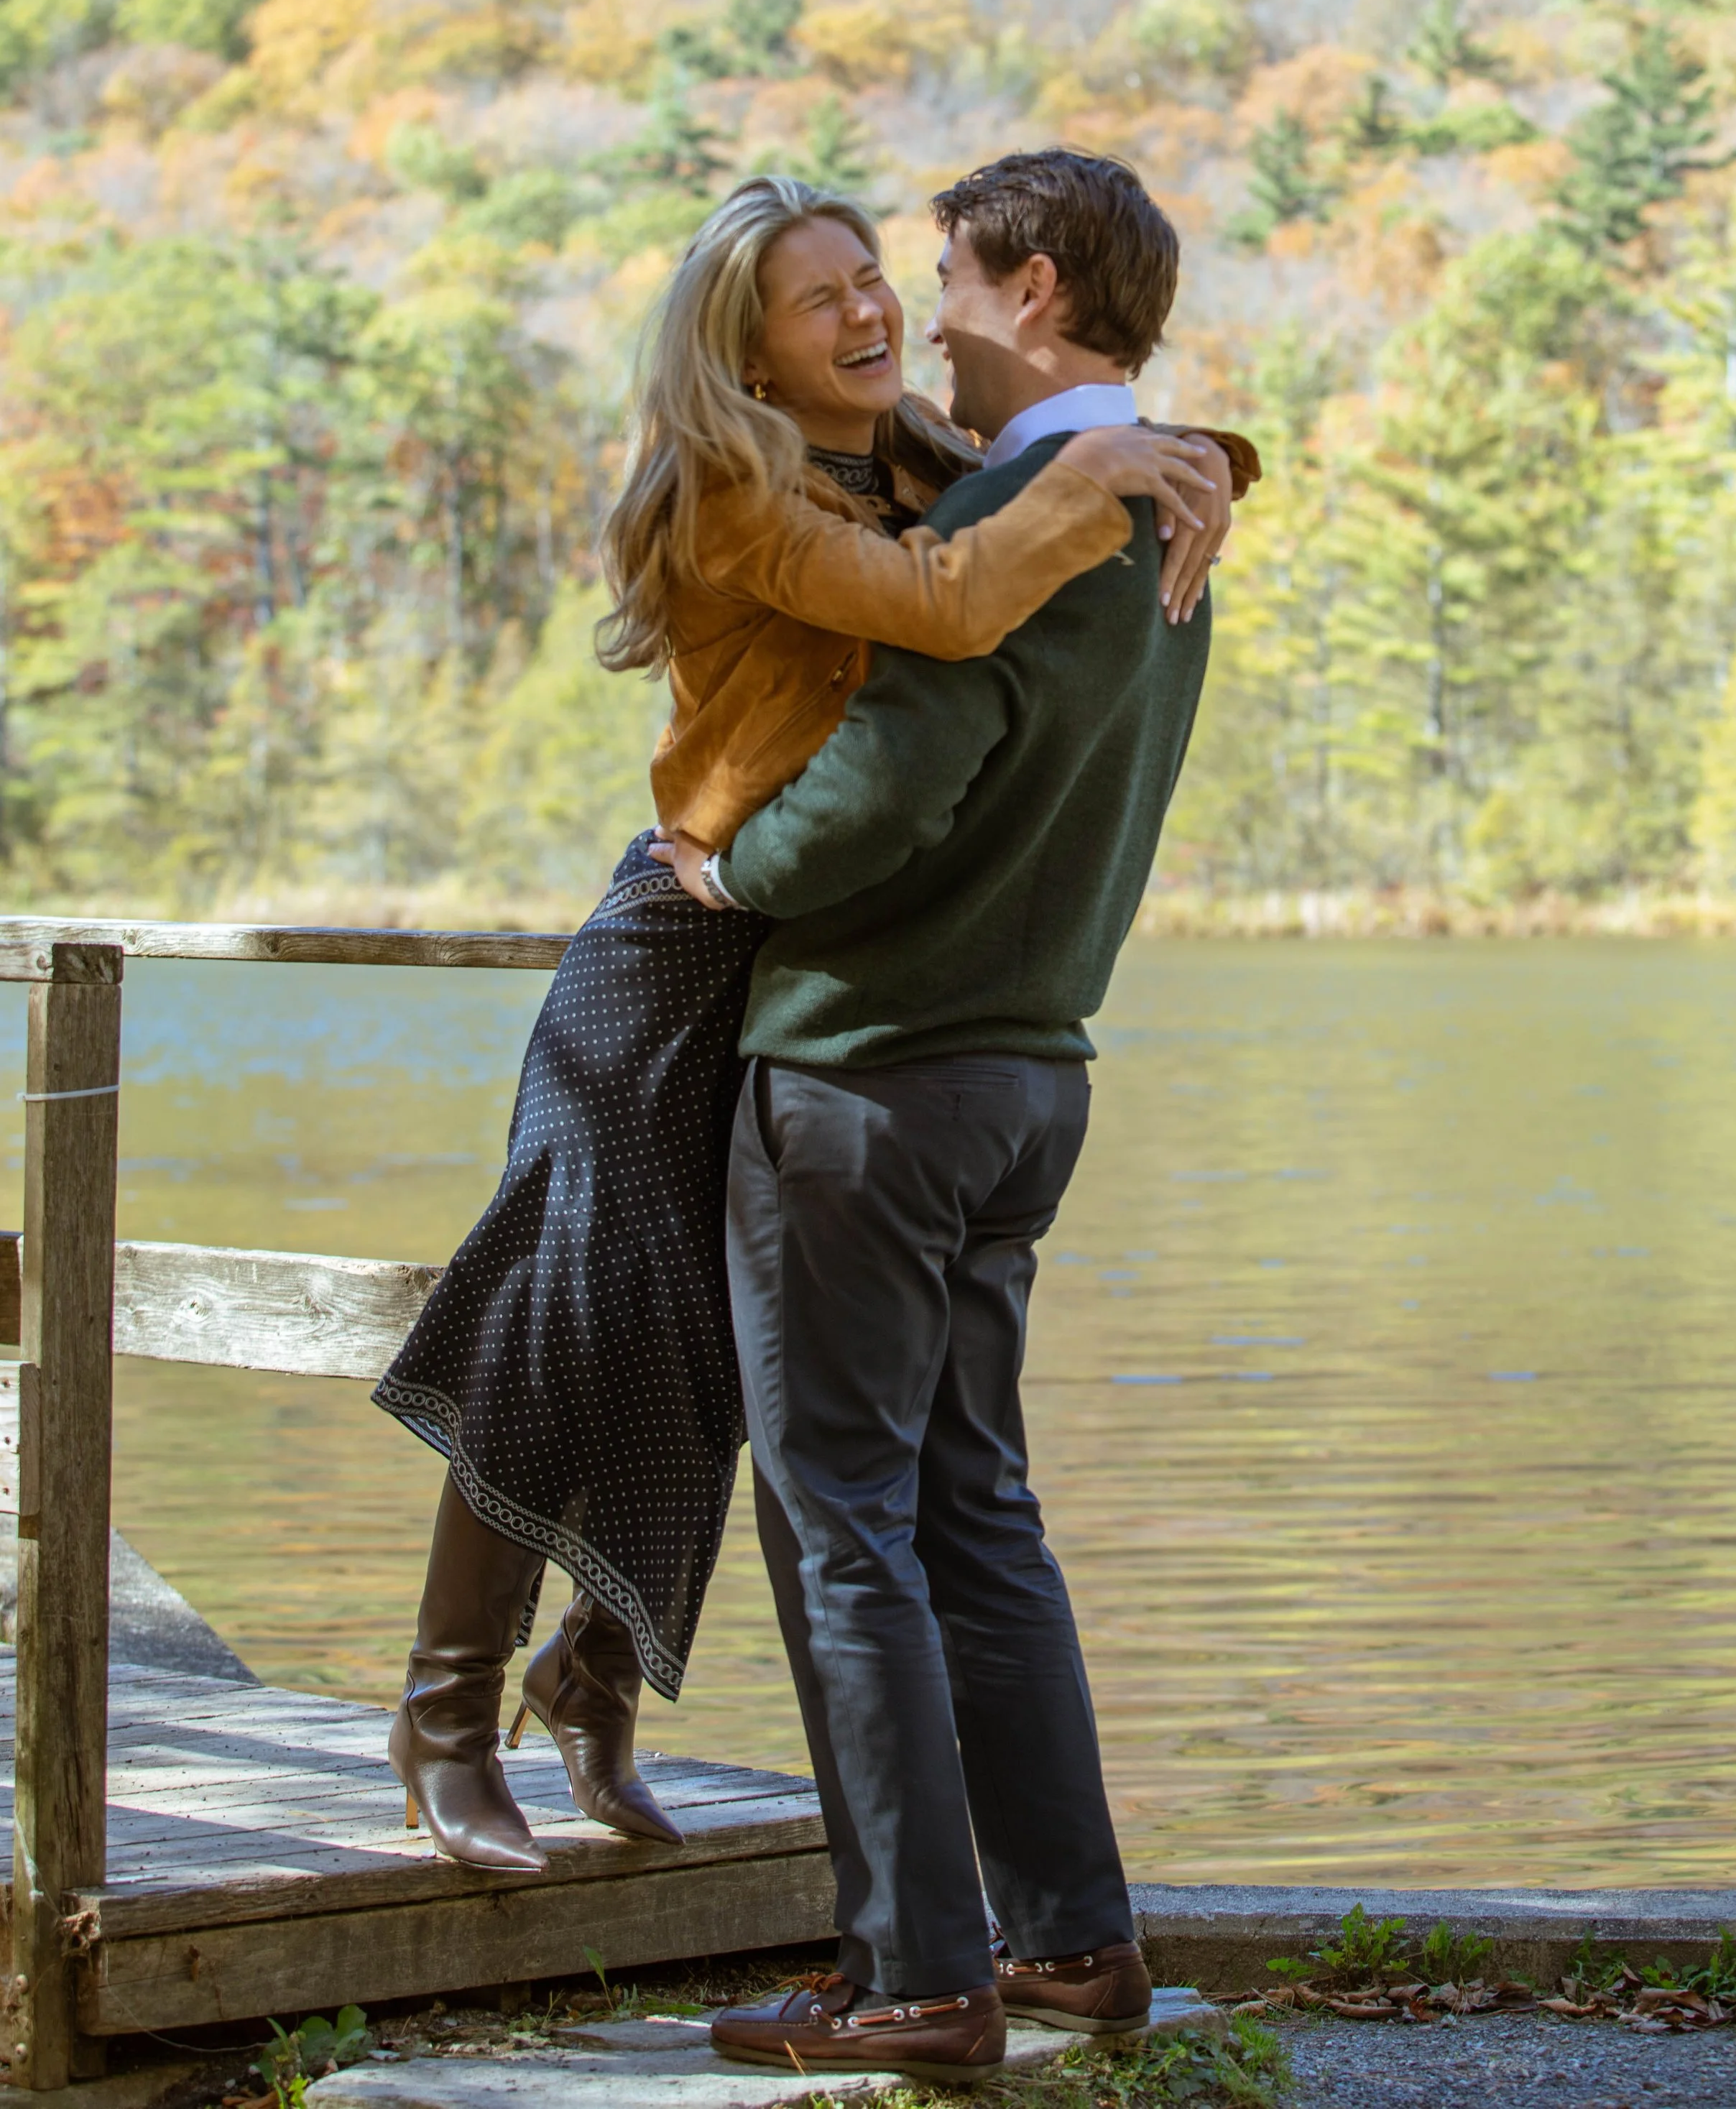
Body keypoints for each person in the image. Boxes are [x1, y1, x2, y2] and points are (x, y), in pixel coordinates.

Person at [372, 172, 1256, 1872]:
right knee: (565, 1317)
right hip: (681, 935)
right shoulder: (730, 490)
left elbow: (1039, 480)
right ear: (747, 351)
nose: (872, 314)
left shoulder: (916, 453)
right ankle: (440, 1715)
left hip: (801, 946)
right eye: (822, 299)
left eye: (876, 280)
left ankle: (598, 1674)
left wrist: (1201, 459)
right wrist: (1104, 476)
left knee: (723, 1348)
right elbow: (945, 601)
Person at [660, 150, 1227, 2086]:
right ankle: (1073, 1937)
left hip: (867, 1077)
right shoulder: (1161, 506)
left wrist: (727, 865)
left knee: (845, 1522)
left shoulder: (1017, 519)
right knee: (974, 1512)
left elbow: (877, 797)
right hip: (1028, 1071)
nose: (929, 312)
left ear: (1037, 288)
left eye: (948, 276)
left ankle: (915, 1969)